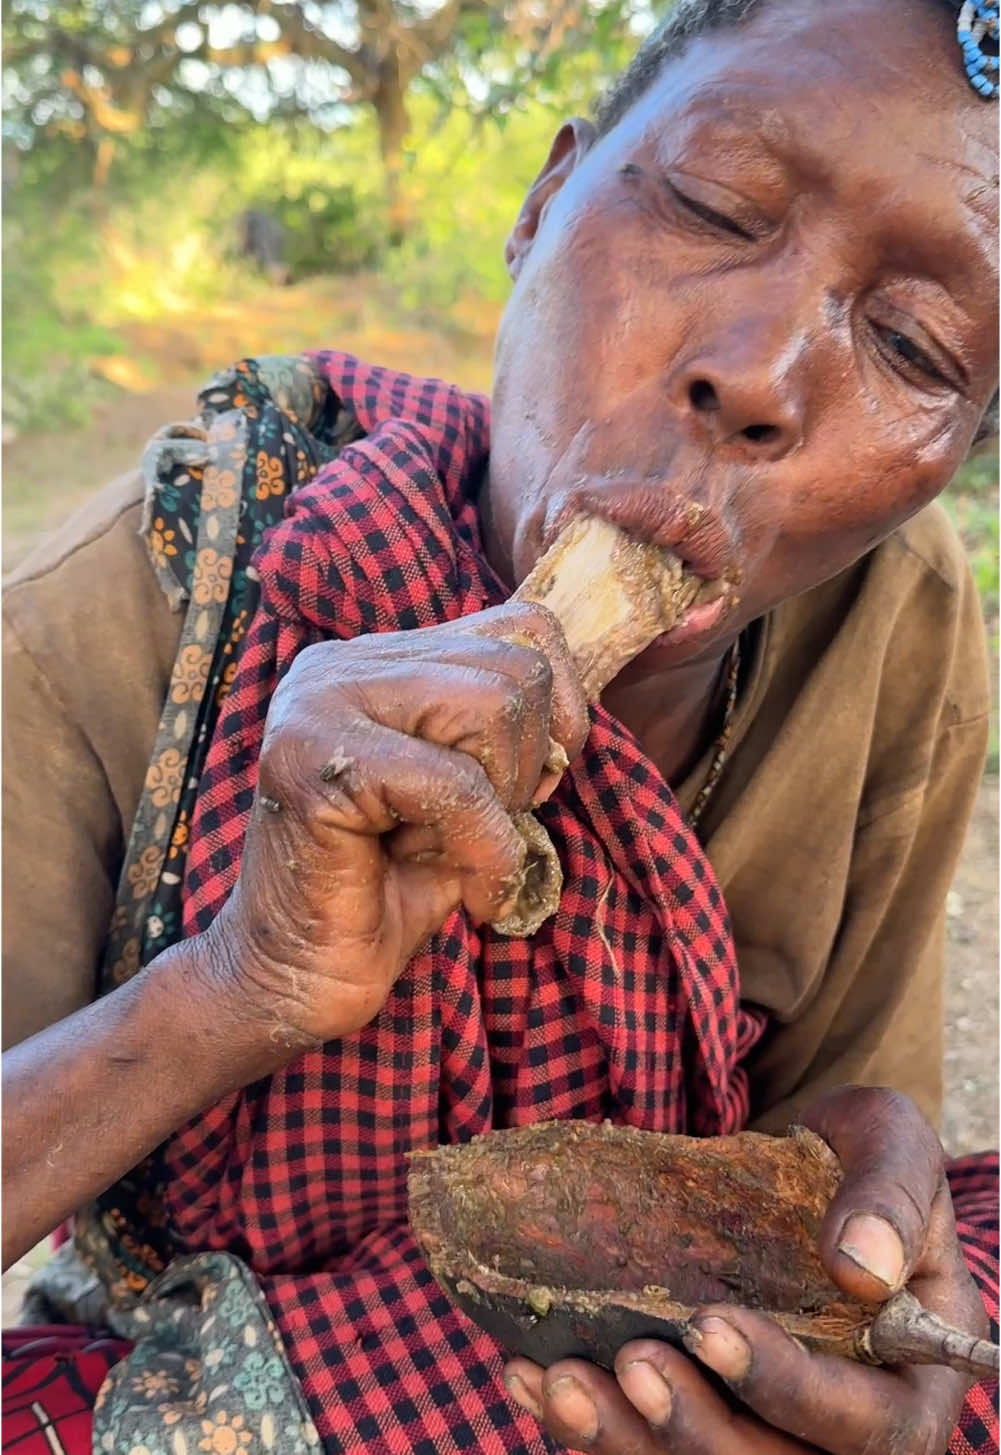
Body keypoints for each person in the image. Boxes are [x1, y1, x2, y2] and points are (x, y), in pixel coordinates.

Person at [2, 0, 998, 1452]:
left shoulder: (895, 623)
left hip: (635, 1348)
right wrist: (234, 985)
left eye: (912, 346)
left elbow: (847, 1130)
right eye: (716, 207)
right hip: (211, 1362)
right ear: (543, 202)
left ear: (950, 460)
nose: (760, 377)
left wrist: (862, 1223)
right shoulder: (134, 598)